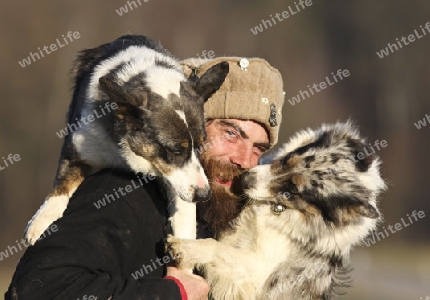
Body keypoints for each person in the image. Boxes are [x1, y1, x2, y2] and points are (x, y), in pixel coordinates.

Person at [5, 56, 284, 300]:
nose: (245, 160)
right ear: (190, 124)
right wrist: (173, 294)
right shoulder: (122, 194)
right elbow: (36, 291)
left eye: (259, 148)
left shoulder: (227, 224)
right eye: (231, 134)